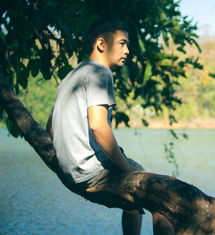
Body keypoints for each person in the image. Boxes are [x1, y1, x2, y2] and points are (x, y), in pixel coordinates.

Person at [46, 17, 174, 235]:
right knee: (162, 194)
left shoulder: (70, 77)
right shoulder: (100, 72)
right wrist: (126, 168)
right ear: (101, 44)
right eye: (122, 43)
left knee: (134, 202)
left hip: (70, 169)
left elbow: (50, 126)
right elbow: (98, 125)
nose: (128, 50)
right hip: (90, 171)